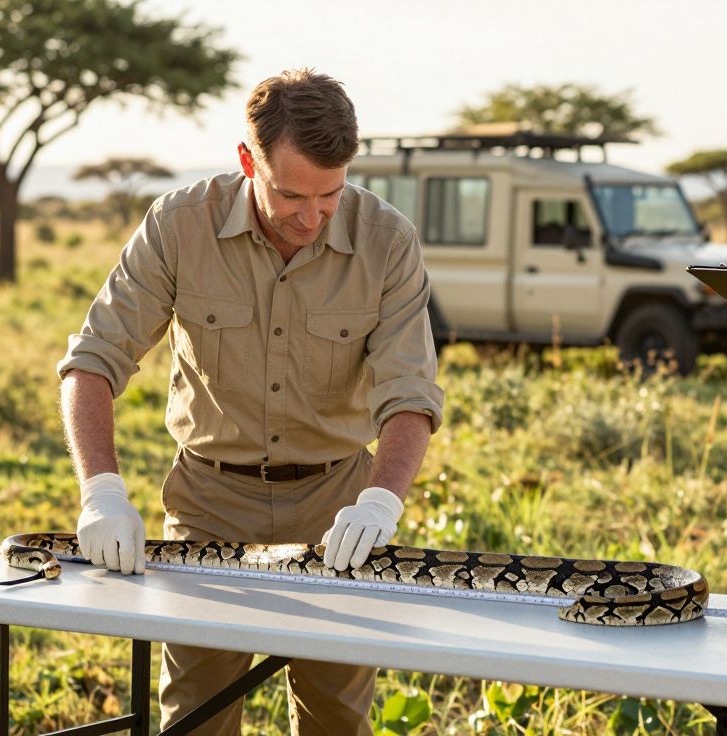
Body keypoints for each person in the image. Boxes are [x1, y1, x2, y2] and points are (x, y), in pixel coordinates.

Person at [56, 68, 444, 735]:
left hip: (337, 507)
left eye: (330, 194)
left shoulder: (386, 239)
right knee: (196, 717)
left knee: (337, 717)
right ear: (246, 161)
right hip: (210, 503)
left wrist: (381, 501)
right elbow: (93, 361)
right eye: (291, 193)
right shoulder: (179, 225)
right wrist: (101, 492)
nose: (311, 216)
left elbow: (409, 391)